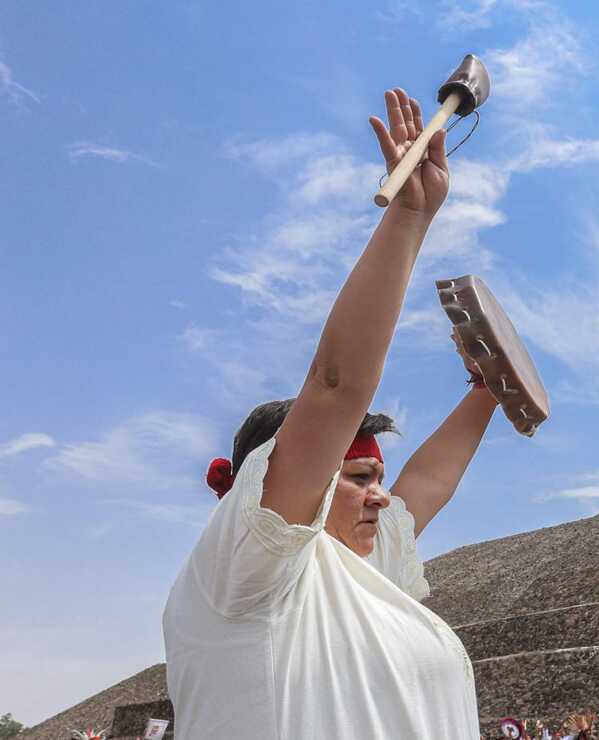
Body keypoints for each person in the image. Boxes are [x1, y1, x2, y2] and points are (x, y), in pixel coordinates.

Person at [162, 87, 499, 738]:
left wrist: (486, 389)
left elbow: (426, 485)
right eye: (357, 477)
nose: (381, 499)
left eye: (377, 480)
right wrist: (410, 218)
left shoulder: (365, 570)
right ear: (265, 484)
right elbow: (334, 388)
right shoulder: (246, 572)